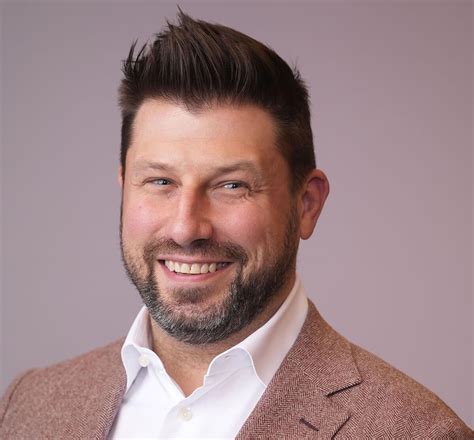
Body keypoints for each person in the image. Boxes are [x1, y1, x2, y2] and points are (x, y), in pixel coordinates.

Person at [0, 11, 472, 439]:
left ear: (306, 205)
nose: (186, 228)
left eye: (231, 186)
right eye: (160, 181)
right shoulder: (27, 406)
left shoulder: (419, 432)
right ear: (125, 188)